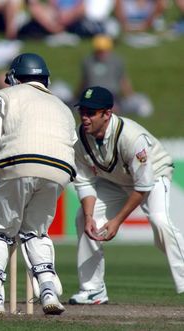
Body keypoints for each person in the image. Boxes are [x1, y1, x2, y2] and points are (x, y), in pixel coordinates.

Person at [0, 53, 77, 315]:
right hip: (60, 170)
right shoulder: (62, 105)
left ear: (14, 77)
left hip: (18, 162)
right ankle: (48, 289)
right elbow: (70, 142)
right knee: (36, 231)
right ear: (45, 79)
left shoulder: (5, 96)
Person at [69, 86, 184, 304]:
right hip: (116, 180)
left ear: (107, 114)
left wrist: (117, 221)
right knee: (82, 218)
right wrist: (91, 216)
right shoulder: (79, 138)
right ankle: (93, 289)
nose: (85, 117)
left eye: (91, 113)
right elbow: (84, 180)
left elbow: (142, 186)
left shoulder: (132, 137)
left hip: (154, 174)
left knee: (160, 221)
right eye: (82, 111)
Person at [79, 34, 153, 117]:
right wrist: (77, 95)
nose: (101, 54)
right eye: (99, 51)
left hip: (112, 94)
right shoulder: (88, 62)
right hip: (92, 94)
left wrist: (129, 95)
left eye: (103, 51)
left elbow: (123, 80)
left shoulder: (117, 61)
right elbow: (84, 81)